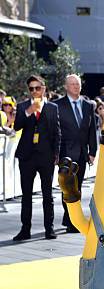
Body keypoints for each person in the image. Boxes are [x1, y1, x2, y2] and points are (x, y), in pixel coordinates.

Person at [12, 75, 61, 241]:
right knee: (26, 195)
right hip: (27, 157)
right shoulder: (23, 106)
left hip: (46, 157)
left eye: (37, 88)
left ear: (44, 89)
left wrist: (57, 154)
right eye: (31, 88)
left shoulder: (53, 108)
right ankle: (25, 229)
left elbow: (57, 133)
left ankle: (50, 228)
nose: (34, 91)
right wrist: (28, 112)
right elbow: (17, 125)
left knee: (48, 194)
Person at [54, 74, 98, 233]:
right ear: (66, 86)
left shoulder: (88, 105)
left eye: (77, 84)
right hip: (64, 154)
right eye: (72, 84)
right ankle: (69, 220)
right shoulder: (57, 105)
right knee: (67, 187)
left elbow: (92, 130)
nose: (75, 87)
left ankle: (71, 218)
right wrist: (55, 154)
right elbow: (53, 132)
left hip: (81, 154)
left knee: (78, 187)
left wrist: (92, 151)